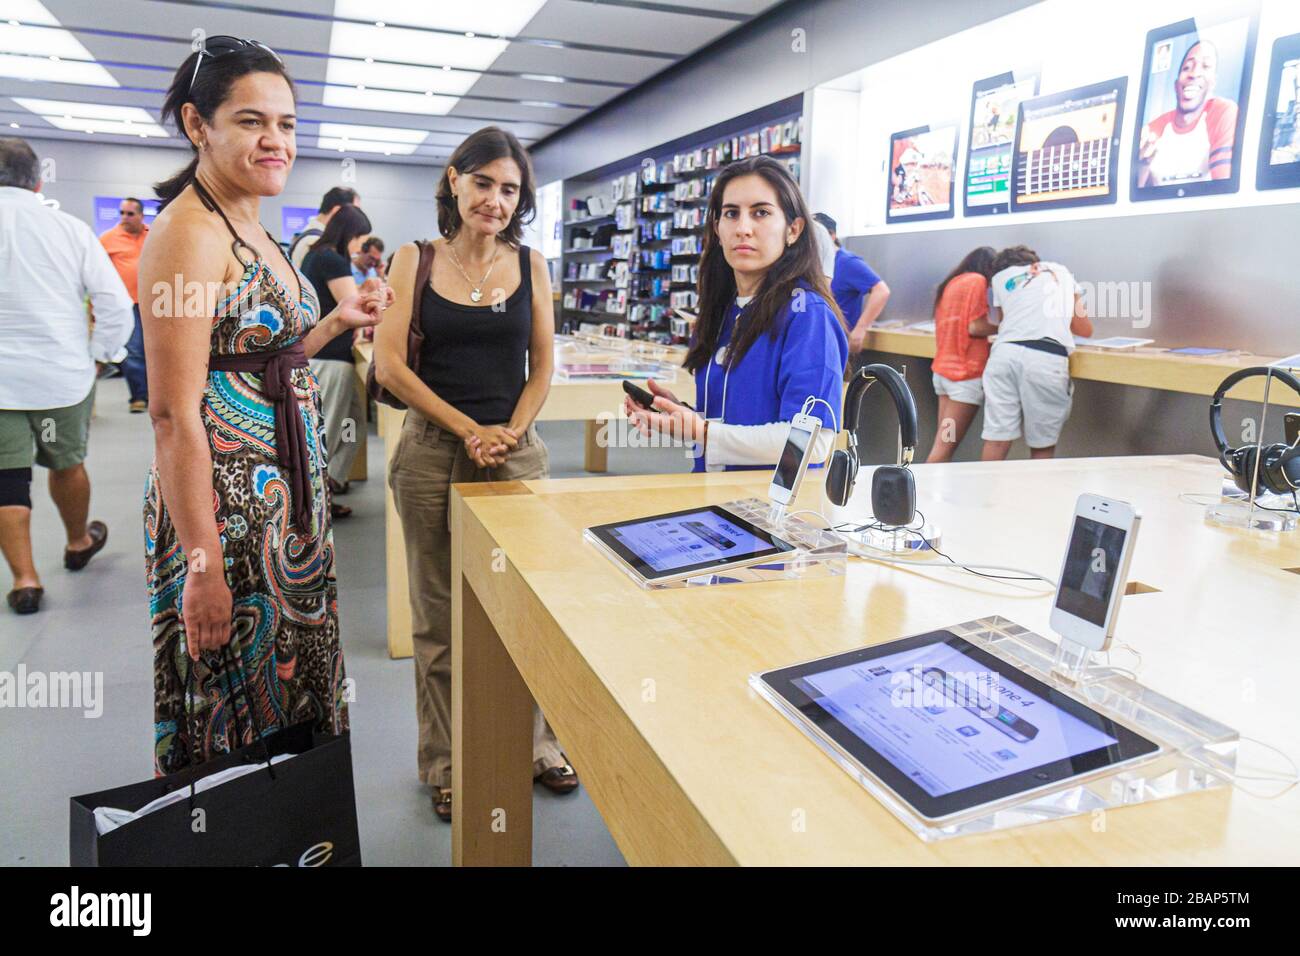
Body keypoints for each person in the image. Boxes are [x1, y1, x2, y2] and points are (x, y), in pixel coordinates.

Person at [140, 38, 389, 773]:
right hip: (225, 519)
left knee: (286, 704)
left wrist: (337, 325)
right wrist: (201, 564)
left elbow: (262, 359)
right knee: (233, 714)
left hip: (287, 508)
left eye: (285, 123)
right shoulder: (189, 232)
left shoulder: (247, 216)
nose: (275, 140)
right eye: (251, 121)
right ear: (198, 125)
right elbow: (171, 413)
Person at [373, 126, 573, 822]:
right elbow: (389, 365)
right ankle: (446, 760)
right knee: (438, 615)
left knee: (527, 607)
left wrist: (510, 431)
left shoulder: (533, 265)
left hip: (515, 451)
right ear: (454, 181)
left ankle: (539, 743)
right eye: (482, 182)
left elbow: (543, 364)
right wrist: (467, 429)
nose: (494, 199)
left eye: (509, 188)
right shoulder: (414, 259)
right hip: (432, 452)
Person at [625, 155, 847, 473]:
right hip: (715, 502)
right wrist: (683, 418)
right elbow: (733, 421)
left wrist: (701, 432)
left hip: (772, 513)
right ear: (717, 228)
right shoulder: (723, 311)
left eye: (761, 213)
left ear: (793, 229)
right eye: (731, 213)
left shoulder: (808, 316)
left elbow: (810, 444)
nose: (743, 228)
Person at [0, 136, 132, 615]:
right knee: (66, 462)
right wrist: (102, 355)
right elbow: (115, 303)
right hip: (60, 375)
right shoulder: (69, 229)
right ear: (37, 181)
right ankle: (78, 541)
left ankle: (25, 580)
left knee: (6, 479)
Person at [974, 245, 1092, 461]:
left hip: (1003, 355)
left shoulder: (1000, 279)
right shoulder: (1059, 271)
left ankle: (985, 493)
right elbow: (1084, 328)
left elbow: (1004, 322)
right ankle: (1038, 495)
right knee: (1042, 444)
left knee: (997, 437)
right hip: (1046, 356)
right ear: (1033, 261)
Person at [301, 204, 373, 515]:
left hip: (327, 355)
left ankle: (333, 480)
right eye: (360, 238)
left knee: (351, 423)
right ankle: (317, 500)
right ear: (350, 234)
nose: (360, 247)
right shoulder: (332, 259)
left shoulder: (318, 255)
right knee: (331, 428)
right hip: (331, 358)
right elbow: (351, 305)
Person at [926, 246, 996, 463]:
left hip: (944, 375)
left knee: (943, 442)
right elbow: (975, 327)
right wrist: (1005, 327)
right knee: (942, 450)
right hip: (963, 378)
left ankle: (935, 495)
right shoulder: (977, 281)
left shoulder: (953, 282)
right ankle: (919, 494)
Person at [1136, 39, 1238, 187]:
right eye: (1187, 67)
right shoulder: (1152, 129)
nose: (1194, 73)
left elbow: (1225, 187)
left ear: (1212, 84)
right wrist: (1142, 165)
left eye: (1206, 66)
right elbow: (1138, 195)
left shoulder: (1223, 112)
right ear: (1176, 85)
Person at [99, 197, 151, 412]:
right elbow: (99, 274)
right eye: (121, 213)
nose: (124, 218)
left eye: (130, 213)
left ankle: (158, 395)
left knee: (158, 351)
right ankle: (139, 397)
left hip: (157, 302)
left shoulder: (154, 235)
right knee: (134, 350)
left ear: (140, 215)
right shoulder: (108, 239)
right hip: (127, 305)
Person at [813, 212, 891, 356]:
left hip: (838, 343)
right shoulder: (813, 265)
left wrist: (860, 329)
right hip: (818, 341)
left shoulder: (847, 262)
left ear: (831, 236)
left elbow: (881, 291)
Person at [289, 185, 360, 268]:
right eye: (355, 211)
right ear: (337, 211)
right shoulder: (315, 242)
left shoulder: (312, 236)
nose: (357, 217)